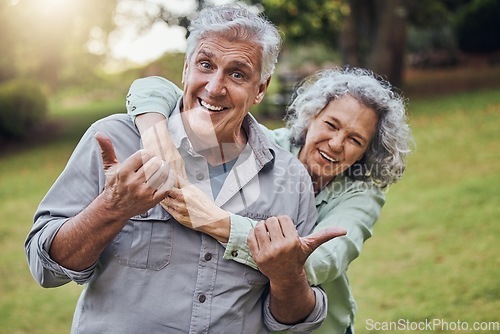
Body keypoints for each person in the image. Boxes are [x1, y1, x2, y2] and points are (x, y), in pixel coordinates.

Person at [25, 5, 336, 333]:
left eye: (237, 73)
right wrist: (112, 208)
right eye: (206, 65)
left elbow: (295, 323)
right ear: (186, 69)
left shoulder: (289, 176)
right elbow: (45, 268)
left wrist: (287, 277)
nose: (215, 87)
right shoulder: (115, 140)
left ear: (260, 88)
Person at [126, 66, 413, 333]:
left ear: (365, 152)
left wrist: (215, 222)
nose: (336, 144)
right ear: (311, 116)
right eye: (331, 124)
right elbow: (157, 90)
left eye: (355, 140)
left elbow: (318, 262)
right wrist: (154, 133)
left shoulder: (362, 195)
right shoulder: (265, 144)